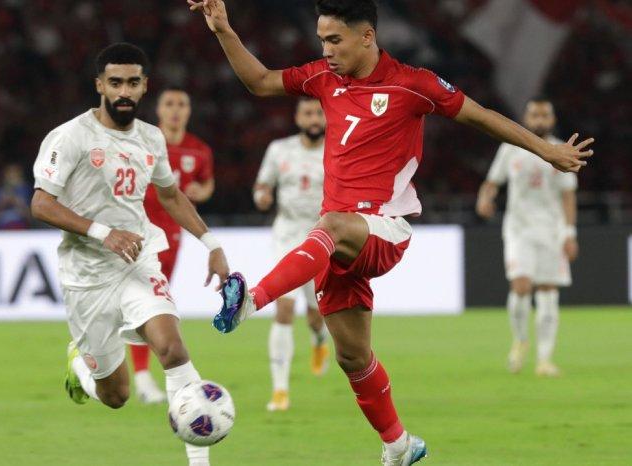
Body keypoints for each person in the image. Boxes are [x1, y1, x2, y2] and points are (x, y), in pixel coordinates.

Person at [188, 0, 593, 464]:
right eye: (322, 40)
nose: (326, 50)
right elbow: (260, 80)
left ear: (367, 36)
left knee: (329, 225)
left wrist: (545, 149)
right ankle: (398, 444)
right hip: (336, 245)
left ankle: (250, 301)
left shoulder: (413, 84)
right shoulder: (323, 78)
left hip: (383, 229)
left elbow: (480, 115)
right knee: (353, 358)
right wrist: (223, 31)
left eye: (334, 40)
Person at [29, 43, 229, 466]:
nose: (124, 91)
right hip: (87, 276)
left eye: (132, 82)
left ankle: (199, 462)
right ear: (100, 85)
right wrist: (102, 233)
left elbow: (171, 196)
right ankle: (80, 369)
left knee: (173, 349)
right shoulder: (71, 136)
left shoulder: (151, 138)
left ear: (144, 87)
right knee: (116, 395)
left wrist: (211, 244)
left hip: (138, 261)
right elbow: (41, 204)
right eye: (115, 82)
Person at [476, 98, 578, 377]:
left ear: (553, 119)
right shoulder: (510, 148)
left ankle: (544, 359)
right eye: (535, 115)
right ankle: (520, 341)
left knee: (547, 290)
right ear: (526, 117)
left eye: (545, 115)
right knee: (521, 285)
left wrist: (569, 233)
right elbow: (491, 182)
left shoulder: (561, 151)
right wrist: (485, 198)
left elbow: (568, 196)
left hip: (551, 230)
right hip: (518, 229)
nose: (540, 120)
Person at [132, 87, 216, 404]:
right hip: (139, 232)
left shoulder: (199, 150)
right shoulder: (143, 142)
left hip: (174, 236)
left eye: (182, 104)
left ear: (189, 111)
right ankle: (143, 377)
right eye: (169, 104)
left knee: (152, 302)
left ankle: (143, 375)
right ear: (159, 110)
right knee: (147, 303)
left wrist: (201, 192)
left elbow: (207, 183)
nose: (176, 110)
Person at [253, 97, 329, 411]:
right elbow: (262, 185)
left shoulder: (336, 150)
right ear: (298, 118)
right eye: (308, 113)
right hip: (287, 234)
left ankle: (319, 339)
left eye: (319, 113)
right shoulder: (279, 149)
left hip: (321, 235)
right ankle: (280, 390)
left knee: (316, 314)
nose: (314, 119)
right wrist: (262, 196)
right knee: (283, 308)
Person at [0, 164, 33, 230]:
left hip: (21, 228)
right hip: (1, 228)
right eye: (9, 174)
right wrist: (3, 202)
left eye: (15, 174)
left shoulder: (26, 190)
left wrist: (16, 201)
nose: (12, 176)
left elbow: (30, 216)